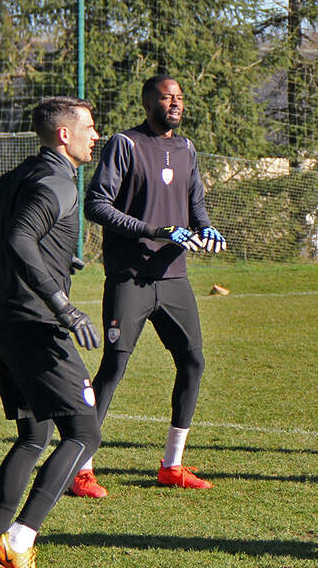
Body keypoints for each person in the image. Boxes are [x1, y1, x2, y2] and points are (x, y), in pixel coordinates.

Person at [0, 95, 103, 568]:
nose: (95, 134)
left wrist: (54, 258)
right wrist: (62, 302)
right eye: (88, 126)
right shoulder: (57, 181)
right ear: (64, 135)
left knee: (34, 437)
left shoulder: (16, 175)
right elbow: (20, 240)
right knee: (85, 433)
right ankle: (17, 542)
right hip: (35, 327)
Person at [70, 74, 227, 497]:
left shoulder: (187, 148)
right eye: (166, 97)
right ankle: (81, 470)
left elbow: (196, 205)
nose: (174, 103)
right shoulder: (126, 144)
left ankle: (172, 465)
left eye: (179, 97)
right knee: (114, 368)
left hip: (174, 278)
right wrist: (156, 229)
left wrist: (207, 229)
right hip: (130, 278)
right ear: (148, 102)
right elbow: (96, 205)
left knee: (193, 363)